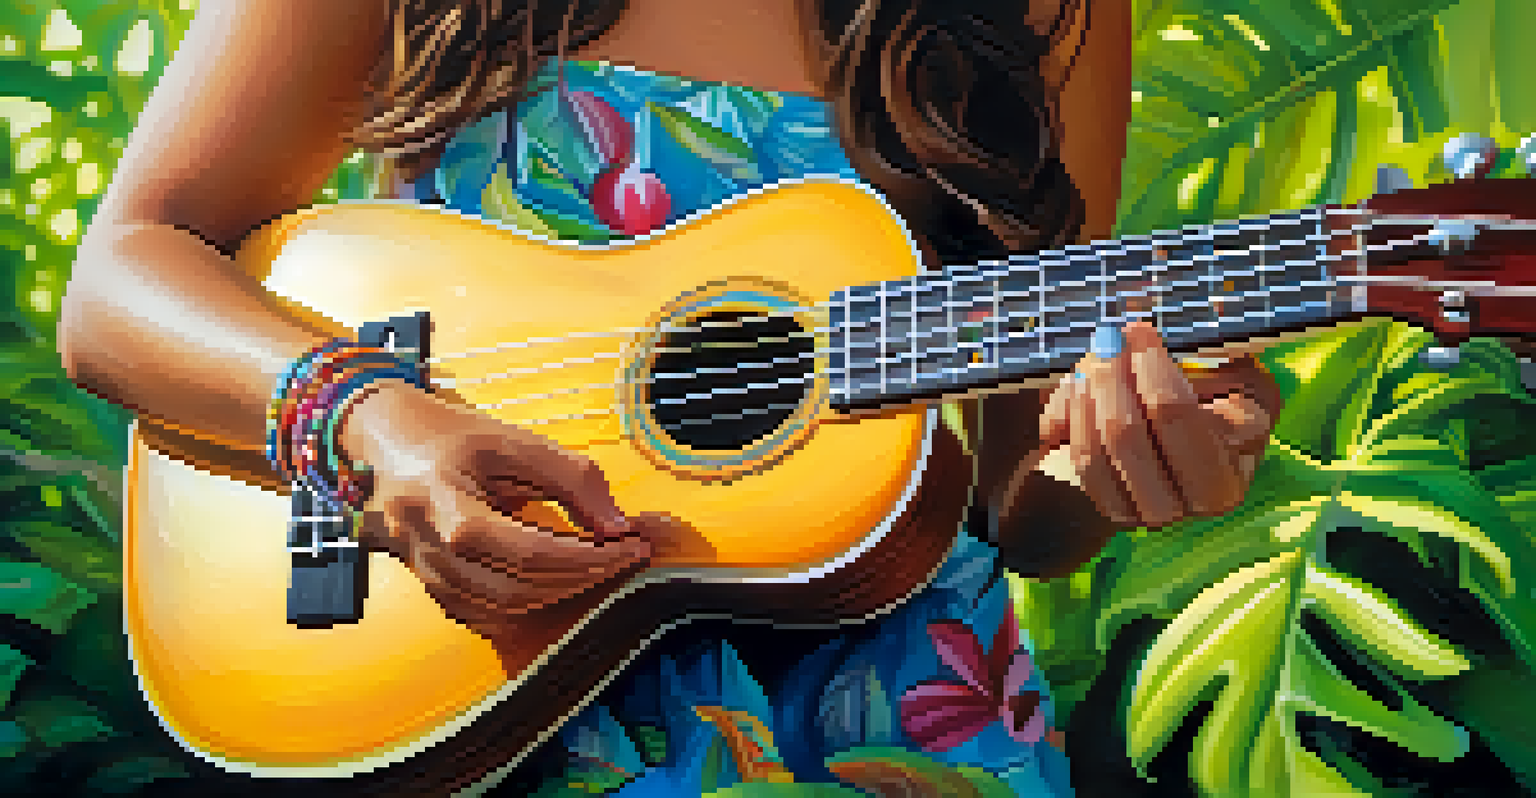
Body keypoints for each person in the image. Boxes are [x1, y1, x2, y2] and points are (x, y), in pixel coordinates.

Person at [58, 0, 1280, 793]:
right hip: (491, 690)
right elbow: (126, 274)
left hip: (891, 726)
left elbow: (1019, 498)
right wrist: (362, 416)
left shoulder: (1041, 11)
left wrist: (1115, 463)